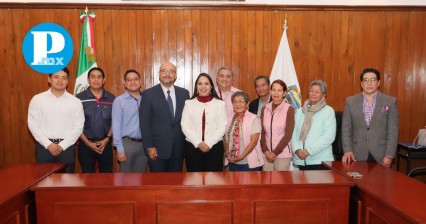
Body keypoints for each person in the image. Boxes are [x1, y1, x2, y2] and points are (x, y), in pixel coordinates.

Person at [28, 67, 84, 173]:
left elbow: (78, 127)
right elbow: (32, 124)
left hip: (67, 148)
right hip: (44, 148)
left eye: (64, 78)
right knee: (43, 184)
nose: (60, 81)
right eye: (56, 77)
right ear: (49, 79)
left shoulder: (75, 102)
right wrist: (48, 144)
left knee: (67, 184)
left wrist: (62, 146)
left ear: (67, 81)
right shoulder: (37, 100)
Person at [342, 68, 399, 168]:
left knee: (379, 183)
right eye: (366, 80)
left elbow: (393, 131)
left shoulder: (390, 101)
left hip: (380, 154)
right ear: (361, 83)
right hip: (356, 153)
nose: (369, 83)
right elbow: (346, 129)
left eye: (372, 80)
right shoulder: (350, 101)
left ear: (378, 83)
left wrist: (389, 156)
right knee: (356, 183)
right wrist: (347, 150)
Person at [140, 62, 190, 172]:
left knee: (176, 183)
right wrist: (149, 146)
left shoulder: (184, 94)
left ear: (175, 75)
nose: (168, 74)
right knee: (158, 184)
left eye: (171, 71)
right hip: (156, 150)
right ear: (159, 74)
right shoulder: (148, 94)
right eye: (164, 71)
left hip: (178, 149)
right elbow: (144, 123)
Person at [181, 73, 228, 172]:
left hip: (214, 147)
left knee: (214, 180)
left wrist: (208, 143)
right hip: (193, 147)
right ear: (196, 87)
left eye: (206, 84)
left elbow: (222, 126)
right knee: (194, 179)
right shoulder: (188, 103)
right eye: (200, 84)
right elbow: (185, 125)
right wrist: (199, 142)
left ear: (211, 86)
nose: (203, 87)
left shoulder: (220, 104)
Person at [76, 67, 115, 173]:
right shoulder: (79, 98)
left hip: (105, 144)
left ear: (103, 80)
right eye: (93, 77)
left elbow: (115, 121)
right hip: (85, 145)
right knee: (88, 179)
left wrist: (107, 139)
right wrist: (88, 144)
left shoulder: (112, 98)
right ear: (88, 80)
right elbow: (75, 125)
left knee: (107, 179)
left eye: (99, 77)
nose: (96, 80)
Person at [291, 80, 336, 170]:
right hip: (301, 160)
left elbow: (329, 136)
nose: (313, 94)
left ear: (323, 95)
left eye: (317, 92)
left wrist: (309, 151)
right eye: (311, 91)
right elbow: (293, 133)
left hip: (320, 161)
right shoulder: (300, 111)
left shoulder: (328, 111)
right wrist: (297, 150)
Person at [112, 69, 148, 172]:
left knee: (140, 179)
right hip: (127, 144)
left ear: (140, 82)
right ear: (125, 84)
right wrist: (120, 149)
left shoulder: (146, 99)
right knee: (126, 180)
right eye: (129, 80)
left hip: (144, 145)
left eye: (135, 79)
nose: (133, 82)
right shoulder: (119, 101)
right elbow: (116, 125)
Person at [260, 79, 295, 171]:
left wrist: (275, 153)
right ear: (270, 91)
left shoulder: (289, 109)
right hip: (266, 154)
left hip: (282, 154)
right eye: (274, 90)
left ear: (284, 93)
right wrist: (266, 151)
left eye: (279, 90)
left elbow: (288, 134)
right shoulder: (264, 109)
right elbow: (262, 132)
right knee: (267, 183)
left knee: (280, 184)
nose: (276, 93)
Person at [224, 91, 264, 171]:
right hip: (233, 161)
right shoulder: (230, 119)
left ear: (247, 103)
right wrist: (227, 152)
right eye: (235, 102)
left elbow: (253, 142)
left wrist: (241, 157)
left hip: (248, 162)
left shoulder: (254, 119)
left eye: (241, 101)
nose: (237, 104)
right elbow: (225, 139)